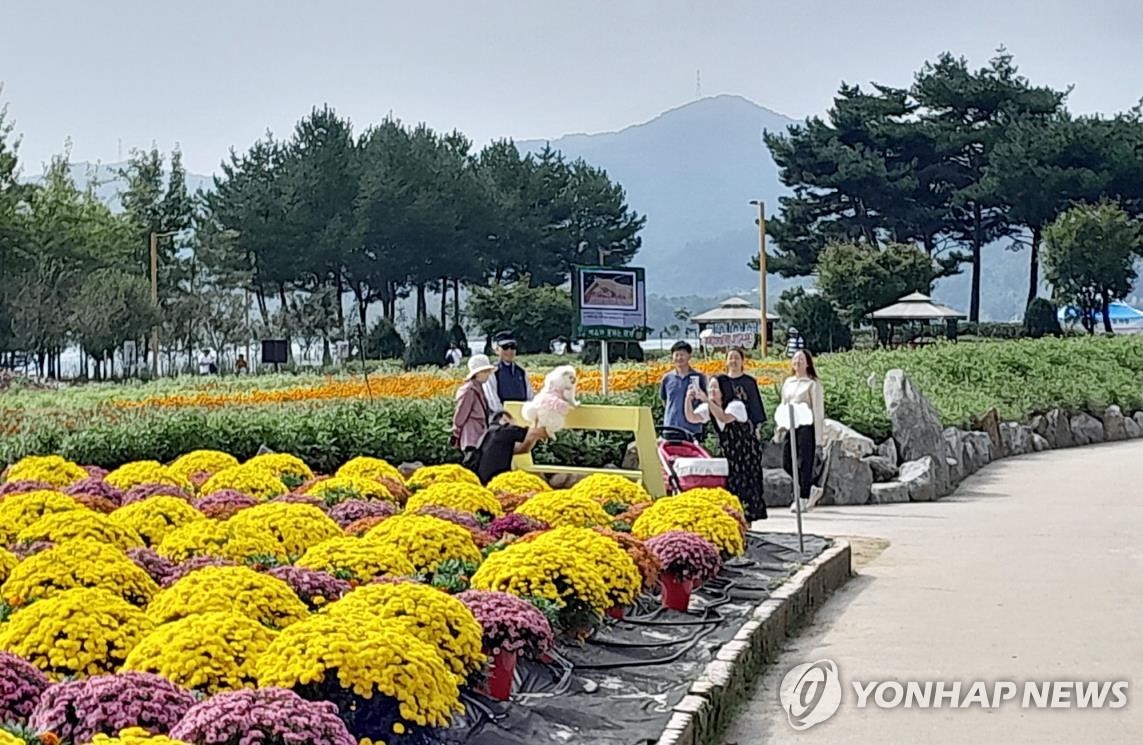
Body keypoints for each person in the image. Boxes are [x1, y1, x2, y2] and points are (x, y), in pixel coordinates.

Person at [685, 374, 767, 521]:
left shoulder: (736, 405)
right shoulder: (709, 407)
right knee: (732, 491)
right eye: (710, 387)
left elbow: (724, 417)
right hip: (730, 455)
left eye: (715, 387)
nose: (711, 391)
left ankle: (748, 525)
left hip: (746, 454)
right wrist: (688, 399)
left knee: (747, 491)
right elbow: (692, 418)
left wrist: (707, 401)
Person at [775, 350, 826, 512]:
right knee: (787, 462)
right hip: (791, 425)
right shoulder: (788, 383)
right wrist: (779, 428)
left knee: (805, 462)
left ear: (808, 363)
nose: (797, 362)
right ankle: (808, 487)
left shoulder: (813, 384)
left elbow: (818, 412)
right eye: (795, 359)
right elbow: (783, 405)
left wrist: (819, 439)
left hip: (806, 427)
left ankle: (803, 498)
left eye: (801, 359)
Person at [473, 410, 548, 484]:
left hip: (482, 478)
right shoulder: (506, 430)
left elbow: (522, 449)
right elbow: (531, 434)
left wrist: (534, 435)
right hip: (498, 477)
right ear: (504, 418)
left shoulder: (487, 434)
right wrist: (538, 424)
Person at [659, 341, 707, 438]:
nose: (679, 358)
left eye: (682, 355)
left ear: (689, 356)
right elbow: (665, 400)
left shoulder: (699, 377)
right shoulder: (667, 378)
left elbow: (705, 401)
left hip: (692, 429)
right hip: (670, 427)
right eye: (676, 355)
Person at [452, 354, 496, 453]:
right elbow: (461, 414)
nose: (488, 374)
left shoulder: (478, 387)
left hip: (480, 435)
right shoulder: (469, 390)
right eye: (484, 371)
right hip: (471, 437)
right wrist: (456, 433)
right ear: (476, 374)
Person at [483, 331, 533, 412]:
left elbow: (530, 397)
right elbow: (492, 400)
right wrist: (505, 415)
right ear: (497, 350)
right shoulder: (492, 372)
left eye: (512, 347)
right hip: (500, 419)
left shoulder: (521, 372)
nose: (509, 351)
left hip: (521, 418)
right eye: (505, 347)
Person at [724, 347, 766, 429]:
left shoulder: (750, 382)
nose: (733, 361)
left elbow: (755, 405)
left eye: (737, 358)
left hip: (746, 427)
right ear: (726, 362)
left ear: (742, 361)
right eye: (730, 358)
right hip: (726, 427)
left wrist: (757, 427)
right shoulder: (721, 381)